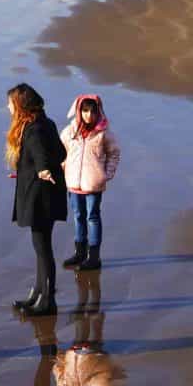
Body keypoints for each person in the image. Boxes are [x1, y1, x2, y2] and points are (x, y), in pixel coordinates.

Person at [6, 83, 67, 316]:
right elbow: (61, 153)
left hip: (40, 197)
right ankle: (39, 293)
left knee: (43, 249)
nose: (8, 107)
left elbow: (40, 154)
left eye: (11, 103)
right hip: (44, 194)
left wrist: (42, 169)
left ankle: (47, 300)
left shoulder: (33, 129)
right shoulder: (46, 122)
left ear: (21, 105)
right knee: (41, 247)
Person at [60, 94, 121, 271]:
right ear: (79, 111)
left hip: (93, 184)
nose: (89, 115)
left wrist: (106, 174)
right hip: (73, 183)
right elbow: (60, 151)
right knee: (78, 216)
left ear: (98, 112)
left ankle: (94, 257)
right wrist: (64, 167)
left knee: (92, 217)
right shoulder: (70, 132)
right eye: (85, 111)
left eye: (92, 111)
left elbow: (114, 153)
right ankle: (80, 253)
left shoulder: (103, 134)